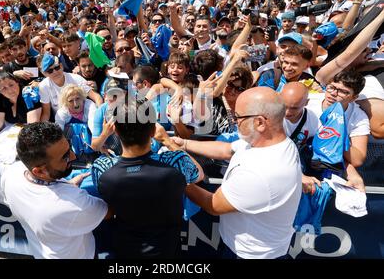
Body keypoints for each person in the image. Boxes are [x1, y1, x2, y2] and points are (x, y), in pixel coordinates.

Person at [184, 87, 302, 259]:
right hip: (244, 247)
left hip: (251, 255)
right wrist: (183, 144)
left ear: (260, 122)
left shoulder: (262, 172)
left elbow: (213, 204)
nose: (234, 121)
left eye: (237, 117)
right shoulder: (269, 141)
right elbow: (227, 149)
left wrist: (179, 177)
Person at [95, 99, 204, 258]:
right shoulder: (174, 162)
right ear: (153, 130)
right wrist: (167, 140)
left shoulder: (102, 168)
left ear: (116, 131)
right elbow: (198, 173)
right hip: (167, 251)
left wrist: (104, 135)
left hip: (125, 250)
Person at [0, 122, 109, 259]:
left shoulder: (11, 174)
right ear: (39, 171)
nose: (74, 156)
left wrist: (67, 186)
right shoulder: (72, 202)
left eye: (69, 148)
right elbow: (108, 212)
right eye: (65, 157)